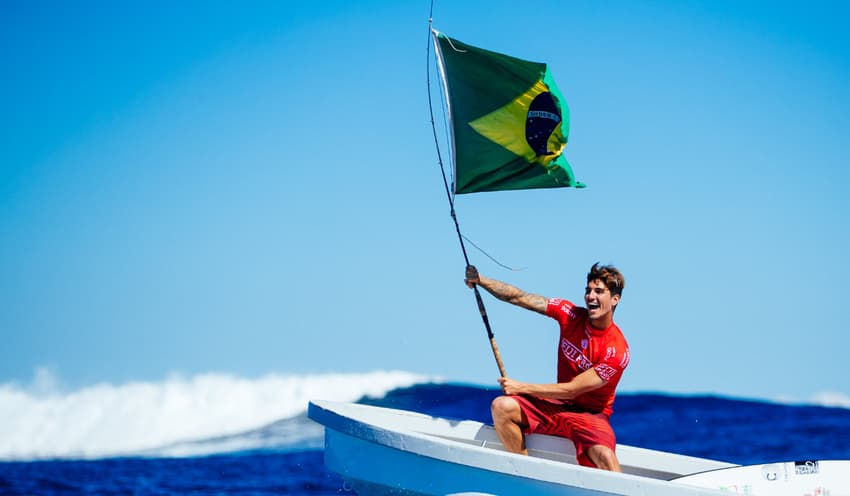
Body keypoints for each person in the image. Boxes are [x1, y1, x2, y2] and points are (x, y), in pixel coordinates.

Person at [464, 263, 629, 471]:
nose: (590, 296)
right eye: (588, 291)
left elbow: (572, 390)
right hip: (556, 406)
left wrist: (520, 387)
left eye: (599, 291)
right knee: (502, 407)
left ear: (615, 299)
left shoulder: (617, 351)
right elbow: (520, 297)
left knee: (605, 457)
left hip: (590, 416)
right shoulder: (570, 315)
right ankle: (524, 476)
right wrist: (481, 280)